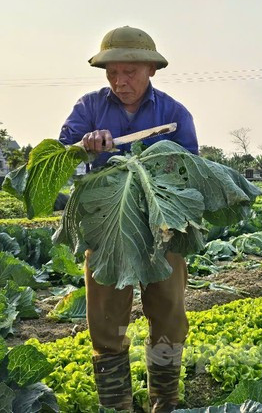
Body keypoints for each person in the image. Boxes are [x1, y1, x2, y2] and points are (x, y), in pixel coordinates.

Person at [59, 26, 198, 412]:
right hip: (106, 226)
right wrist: (82, 148)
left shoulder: (173, 113)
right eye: (112, 73)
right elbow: (61, 158)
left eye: (130, 73)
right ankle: (117, 405)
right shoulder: (89, 108)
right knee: (105, 319)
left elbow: (191, 170)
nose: (120, 82)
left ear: (151, 69)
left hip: (162, 227)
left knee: (168, 313)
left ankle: (165, 401)